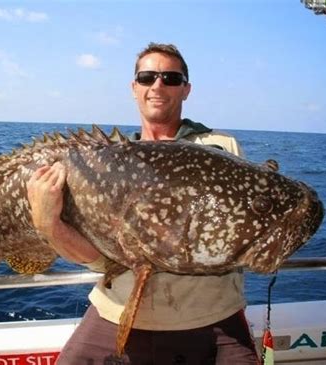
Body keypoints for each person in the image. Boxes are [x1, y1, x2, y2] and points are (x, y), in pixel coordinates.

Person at [27, 43, 259, 365]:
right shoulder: (108, 165)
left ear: (186, 89)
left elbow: (241, 228)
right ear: (134, 88)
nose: (158, 86)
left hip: (213, 317)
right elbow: (100, 262)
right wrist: (47, 225)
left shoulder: (219, 147)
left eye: (171, 78)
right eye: (147, 77)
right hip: (117, 311)